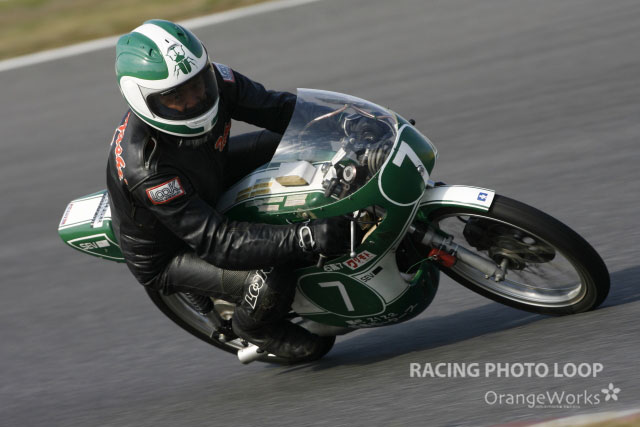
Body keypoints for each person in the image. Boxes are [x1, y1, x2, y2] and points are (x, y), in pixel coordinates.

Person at [106, 19, 350, 361]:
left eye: (197, 84)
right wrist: (305, 237)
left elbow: (280, 109)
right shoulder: (147, 169)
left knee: (297, 143)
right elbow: (217, 241)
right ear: (144, 100)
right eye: (176, 96)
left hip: (208, 172)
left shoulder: (216, 81)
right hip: (173, 248)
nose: (195, 98)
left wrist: (346, 122)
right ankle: (253, 328)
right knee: (275, 266)